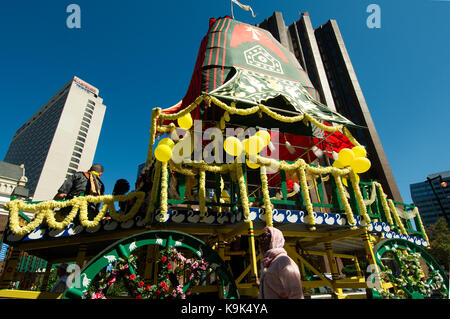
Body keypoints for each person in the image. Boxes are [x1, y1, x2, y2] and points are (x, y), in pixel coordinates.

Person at [258, 226, 304, 299]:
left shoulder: (283, 261)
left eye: (265, 236)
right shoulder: (268, 262)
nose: (261, 239)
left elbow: (296, 294)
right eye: (259, 237)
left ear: (275, 238)